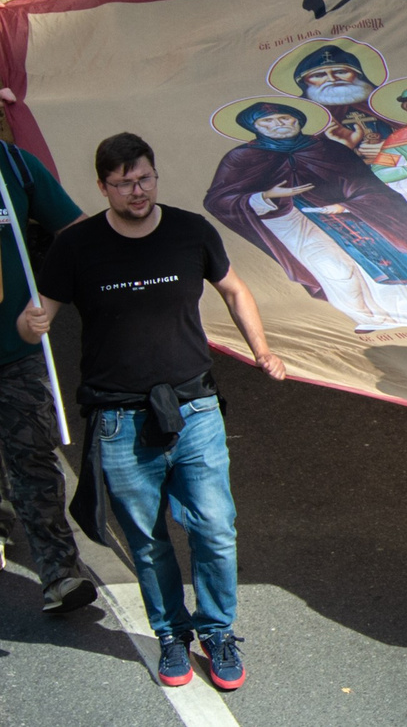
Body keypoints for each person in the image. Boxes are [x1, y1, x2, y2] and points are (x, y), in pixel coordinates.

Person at [18, 133, 289, 691]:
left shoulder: (191, 231)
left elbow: (236, 291)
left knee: (215, 527)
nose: (136, 191)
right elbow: (34, 318)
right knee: (146, 538)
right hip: (119, 418)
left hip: (195, 407)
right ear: (103, 187)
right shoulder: (77, 246)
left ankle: (217, 632)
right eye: (123, 183)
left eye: (144, 178)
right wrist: (31, 323)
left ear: (154, 175)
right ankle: (171, 634)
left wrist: (263, 350)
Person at [0, 137, 90, 615]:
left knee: (33, 456)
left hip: (15, 348)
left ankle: (60, 573)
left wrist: (50, 292)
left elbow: (75, 231)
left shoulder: (14, 165)